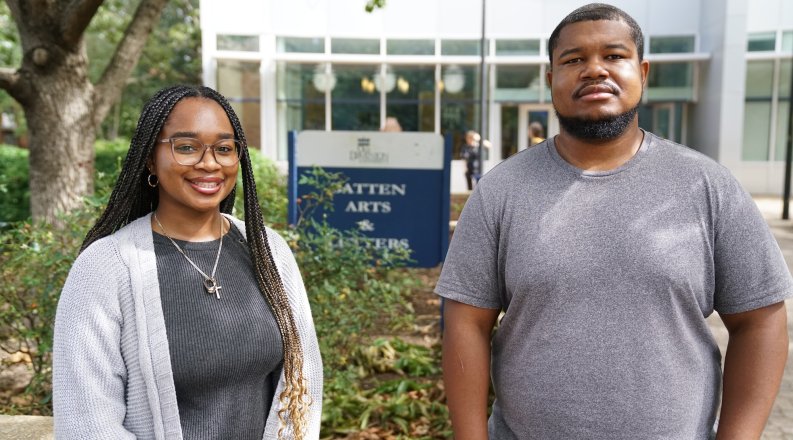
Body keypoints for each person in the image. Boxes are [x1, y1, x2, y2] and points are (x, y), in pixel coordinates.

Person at [436, 4, 791, 439]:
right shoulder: (500, 191)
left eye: (614, 56)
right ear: (550, 79)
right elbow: (467, 323)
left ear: (642, 71)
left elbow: (761, 318)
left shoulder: (706, 186)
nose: (594, 70)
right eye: (573, 59)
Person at [53, 85, 323, 439]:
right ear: (151, 158)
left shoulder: (270, 251)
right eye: (186, 147)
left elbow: (303, 383)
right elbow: (86, 424)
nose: (209, 163)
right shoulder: (106, 268)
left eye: (224, 149)